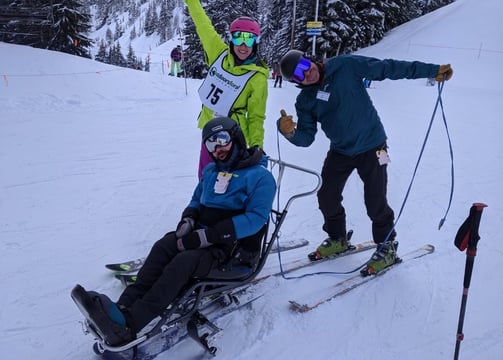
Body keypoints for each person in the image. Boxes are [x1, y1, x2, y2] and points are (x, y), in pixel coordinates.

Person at [72, 117, 276, 346]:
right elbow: (197, 200)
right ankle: (121, 310)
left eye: (222, 140)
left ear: (236, 138)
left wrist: (211, 235)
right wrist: (188, 218)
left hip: (232, 252)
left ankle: (131, 324)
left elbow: (256, 219)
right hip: (202, 237)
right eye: (211, 144)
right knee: (163, 247)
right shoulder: (211, 171)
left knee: (182, 264)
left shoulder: (260, 177)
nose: (217, 149)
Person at [277, 49, 453, 274]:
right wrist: (290, 132)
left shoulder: (344, 66)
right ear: (295, 82)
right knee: (326, 195)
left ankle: (387, 246)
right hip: (340, 150)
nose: (306, 73)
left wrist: (431, 71)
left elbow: (388, 67)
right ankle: (338, 238)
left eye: (304, 66)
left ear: (308, 59)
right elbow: (306, 137)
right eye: (298, 76)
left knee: (375, 199)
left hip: (373, 146)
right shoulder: (305, 100)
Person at [184, 0, 270, 179]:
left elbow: (256, 117)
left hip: (234, 138)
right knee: (206, 178)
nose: (243, 45)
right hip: (210, 131)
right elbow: (202, 24)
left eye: (249, 39)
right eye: (238, 37)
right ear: (232, 39)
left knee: (228, 183)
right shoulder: (219, 54)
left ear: (256, 42)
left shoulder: (257, 78)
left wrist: (257, 147)